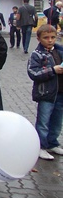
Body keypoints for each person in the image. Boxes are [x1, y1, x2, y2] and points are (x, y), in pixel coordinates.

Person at [26, 24, 63, 161]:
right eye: (46, 37)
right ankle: (40, 145)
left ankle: (52, 142)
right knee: (44, 121)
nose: (50, 40)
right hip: (46, 93)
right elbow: (33, 73)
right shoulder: (37, 54)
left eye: (53, 37)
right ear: (39, 38)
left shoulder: (59, 51)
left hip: (60, 92)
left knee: (57, 120)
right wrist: (53, 70)